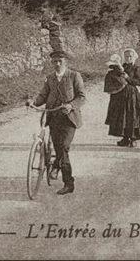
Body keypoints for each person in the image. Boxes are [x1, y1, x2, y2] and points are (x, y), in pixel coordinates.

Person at [26, 49, 85, 195]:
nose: (57, 64)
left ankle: (68, 183)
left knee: (63, 147)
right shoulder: (50, 78)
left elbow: (81, 97)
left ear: (65, 62)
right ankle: (57, 165)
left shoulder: (74, 75)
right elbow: (43, 95)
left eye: (60, 61)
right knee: (59, 148)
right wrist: (33, 102)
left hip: (69, 119)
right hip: (53, 117)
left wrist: (71, 105)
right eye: (55, 62)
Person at [106, 48, 140, 146]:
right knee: (122, 116)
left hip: (131, 95)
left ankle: (133, 139)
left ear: (134, 57)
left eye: (130, 56)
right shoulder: (122, 66)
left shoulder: (137, 68)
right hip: (120, 94)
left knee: (132, 116)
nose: (128, 58)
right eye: (126, 56)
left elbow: (139, 82)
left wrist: (127, 78)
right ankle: (125, 138)